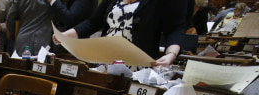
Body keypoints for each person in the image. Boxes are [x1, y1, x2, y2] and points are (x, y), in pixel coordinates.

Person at [55, 0, 187, 67]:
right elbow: (93, 22)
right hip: (103, 64)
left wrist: (171, 55)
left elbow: (176, 29)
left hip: (136, 67)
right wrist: (65, 35)